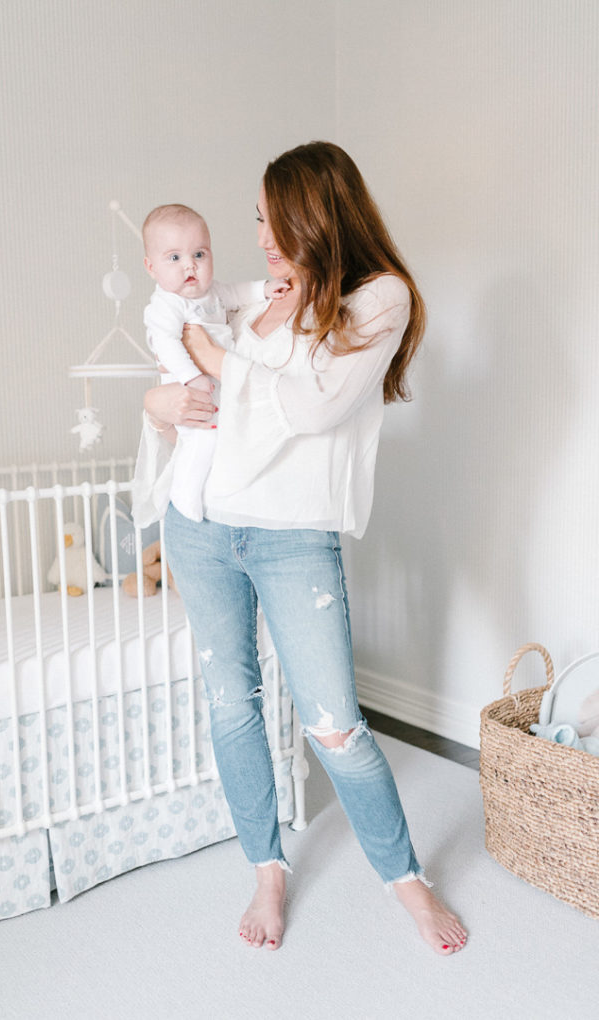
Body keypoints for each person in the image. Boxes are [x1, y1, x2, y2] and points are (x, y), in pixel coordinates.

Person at [133, 142, 468, 956]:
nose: (258, 238)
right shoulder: (252, 304)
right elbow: (182, 400)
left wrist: (213, 360)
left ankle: (405, 877)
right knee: (231, 707)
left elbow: (312, 408)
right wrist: (160, 399)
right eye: (254, 221)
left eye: (270, 219)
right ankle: (267, 867)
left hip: (291, 540)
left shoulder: (376, 298)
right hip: (201, 525)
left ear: (316, 215)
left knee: (335, 727)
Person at [141, 203, 288, 521]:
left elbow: (237, 293)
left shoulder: (212, 293)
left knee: (222, 438)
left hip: (218, 384)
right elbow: (166, 344)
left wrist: (264, 289)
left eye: (199, 254)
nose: (189, 267)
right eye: (174, 258)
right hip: (190, 390)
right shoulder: (166, 304)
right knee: (203, 439)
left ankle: (206, 493)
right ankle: (182, 496)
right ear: (151, 267)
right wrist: (191, 377)